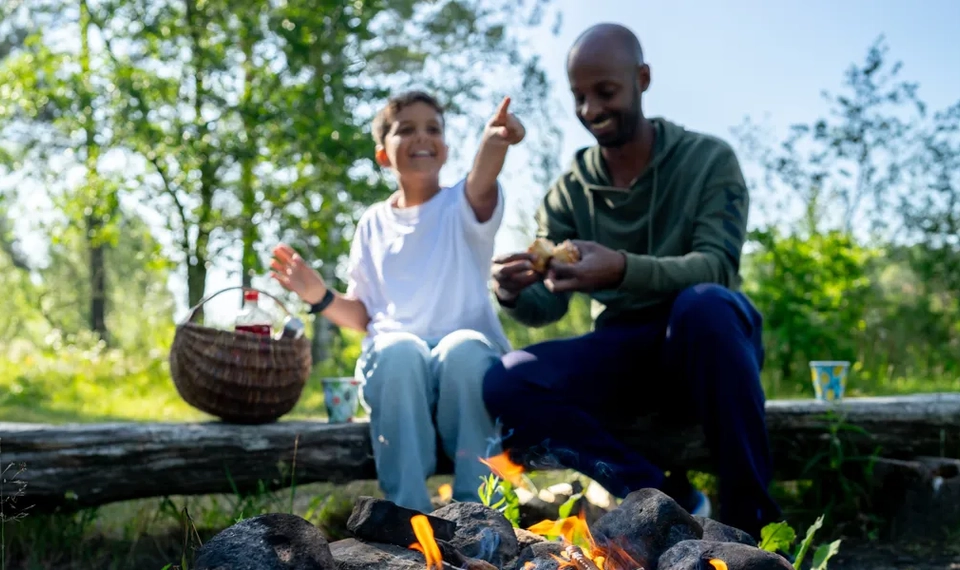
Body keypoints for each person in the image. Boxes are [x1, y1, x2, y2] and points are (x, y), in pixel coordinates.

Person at [481, 23, 782, 539]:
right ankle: (656, 494)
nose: (590, 110)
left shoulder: (708, 161)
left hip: (707, 349)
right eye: (578, 96)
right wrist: (511, 290)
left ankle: (752, 519)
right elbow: (547, 305)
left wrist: (620, 267)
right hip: (622, 351)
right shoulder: (569, 192)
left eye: (606, 92)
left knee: (705, 305)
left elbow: (717, 267)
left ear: (642, 79)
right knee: (506, 378)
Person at [270, 90, 525, 514]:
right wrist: (318, 296)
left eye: (433, 129)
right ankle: (408, 519)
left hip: (464, 378)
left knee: (464, 348)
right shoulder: (372, 223)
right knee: (397, 350)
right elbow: (363, 313)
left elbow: (482, 178)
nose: (421, 137)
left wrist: (495, 141)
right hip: (398, 379)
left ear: (445, 147)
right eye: (405, 129)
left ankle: (480, 518)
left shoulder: (461, 205)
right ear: (383, 154)